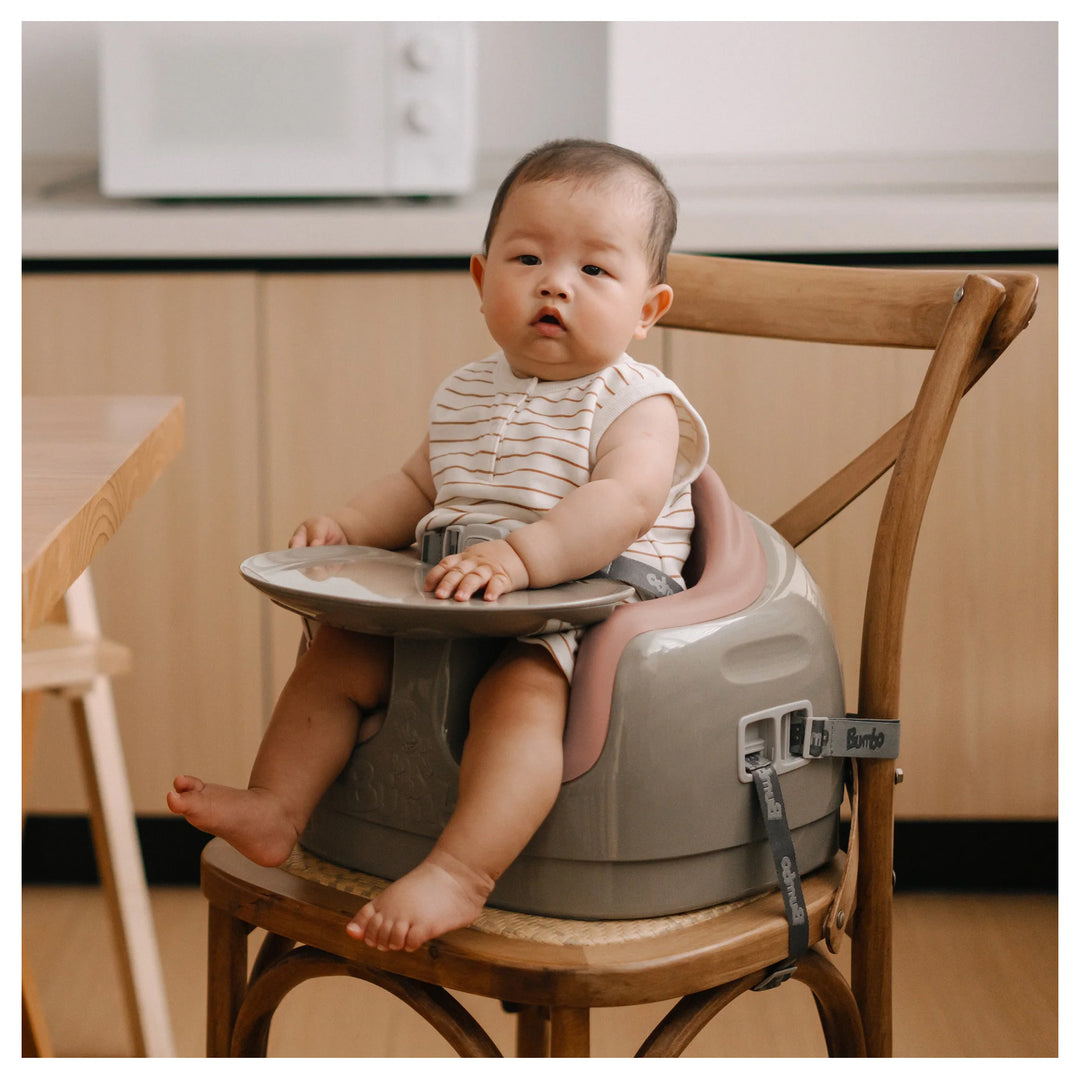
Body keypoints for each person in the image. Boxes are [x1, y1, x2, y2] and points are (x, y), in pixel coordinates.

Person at [168, 139, 709, 953]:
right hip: (460, 593)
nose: (556, 282)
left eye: (596, 271)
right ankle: (277, 806)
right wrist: (348, 527)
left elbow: (623, 504)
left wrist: (521, 559)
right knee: (341, 653)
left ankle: (461, 871)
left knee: (518, 699)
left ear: (648, 310)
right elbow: (419, 489)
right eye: (528, 257)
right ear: (482, 278)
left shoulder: (637, 402)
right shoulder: (466, 392)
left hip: (584, 610)